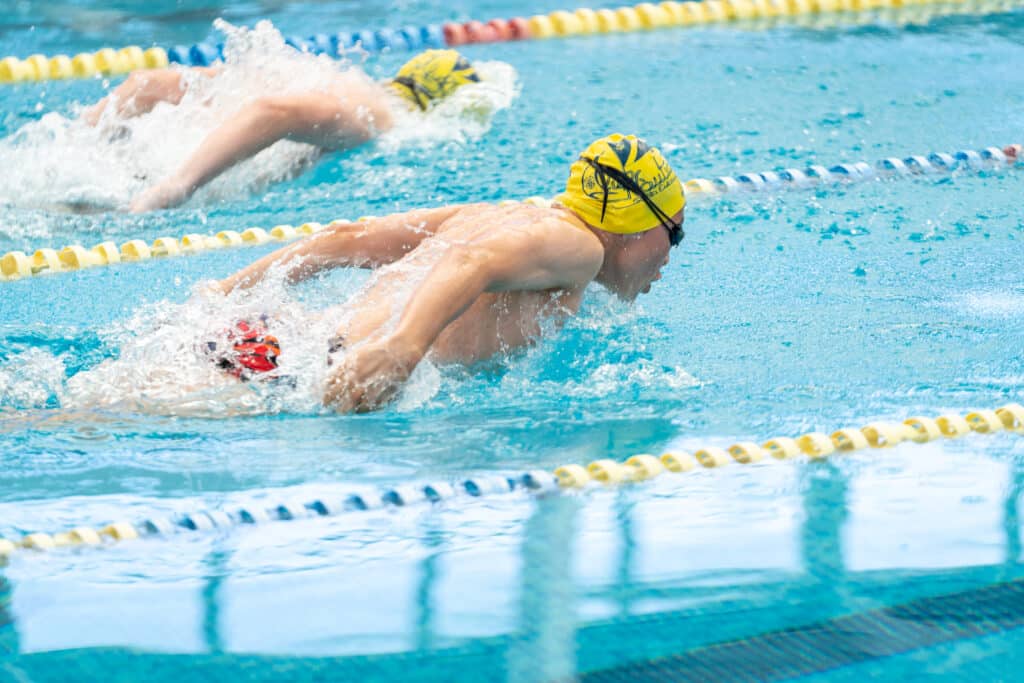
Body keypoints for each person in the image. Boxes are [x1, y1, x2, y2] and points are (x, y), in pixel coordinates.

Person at [212, 133, 686, 413]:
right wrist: (402, 349)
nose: (669, 256)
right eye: (674, 234)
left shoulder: (493, 215)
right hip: (322, 373)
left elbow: (347, 238)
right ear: (639, 223)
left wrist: (223, 291)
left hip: (277, 343)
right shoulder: (580, 247)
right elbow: (472, 263)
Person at [83, 49, 481, 212]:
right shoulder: (376, 116)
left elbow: (147, 84)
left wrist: (79, 142)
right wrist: (177, 186)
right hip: (154, 180)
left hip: (115, 158)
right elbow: (274, 111)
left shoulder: (334, 75)